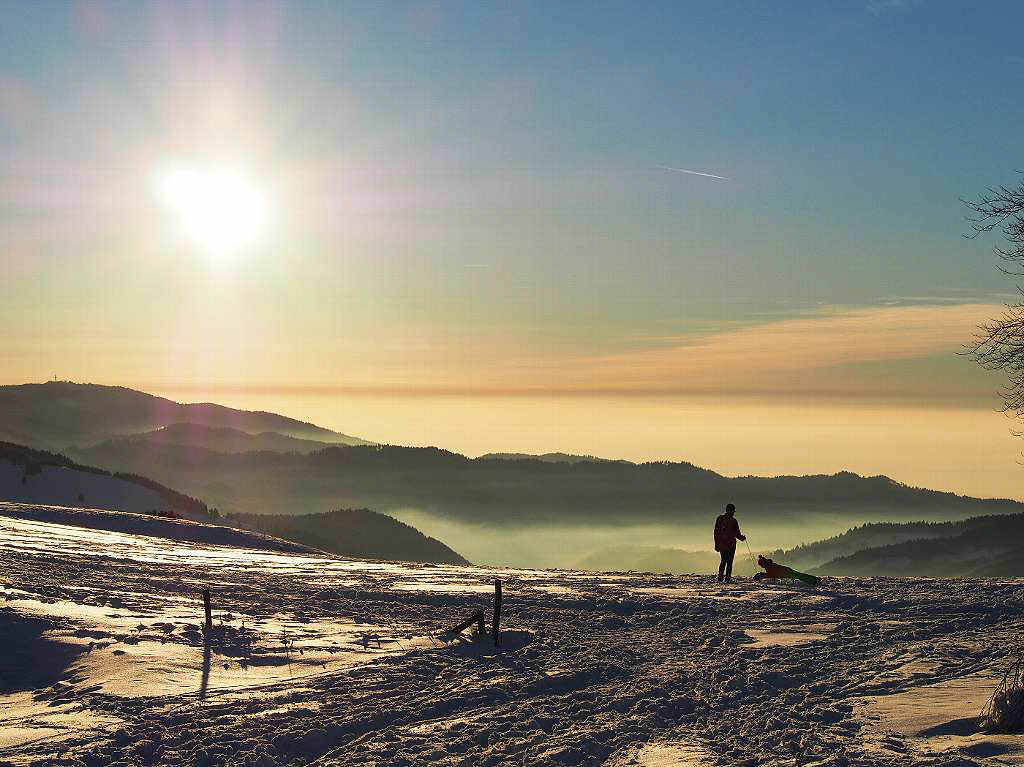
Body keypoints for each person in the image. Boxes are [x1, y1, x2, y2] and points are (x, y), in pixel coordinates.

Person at [713, 503, 745, 582]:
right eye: (733, 511)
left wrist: (716, 544)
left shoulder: (720, 519)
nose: (733, 513)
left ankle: (721, 577)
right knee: (729, 562)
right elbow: (737, 533)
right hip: (730, 545)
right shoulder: (733, 521)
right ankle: (727, 578)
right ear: (731, 511)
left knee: (724, 560)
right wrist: (742, 538)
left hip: (722, 544)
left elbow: (716, 532)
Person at [753, 554, 821, 586]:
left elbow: (771, 574)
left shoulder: (769, 566)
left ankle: (815, 581)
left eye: (761, 565)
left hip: (786, 572)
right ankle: (815, 580)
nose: (761, 566)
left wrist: (761, 575)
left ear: (763, 563)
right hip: (786, 571)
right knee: (799, 575)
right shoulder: (769, 564)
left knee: (799, 576)